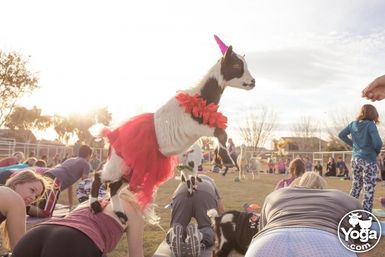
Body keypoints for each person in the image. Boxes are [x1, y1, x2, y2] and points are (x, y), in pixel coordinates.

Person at [245, 172, 362, 257]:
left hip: (267, 243)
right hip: (330, 244)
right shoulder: (344, 199)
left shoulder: (275, 195)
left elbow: (262, 231)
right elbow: (362, 246)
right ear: (323, 189)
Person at [12, 187, 146, 257]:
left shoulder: (93, 201)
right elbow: (136, 255)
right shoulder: (135, 211)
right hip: (74, 240)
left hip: (36, 234)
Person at [153, 175, 224, 257]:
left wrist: (175, 222)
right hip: (206, 194)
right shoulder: (211, 182)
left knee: (177, 225)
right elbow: (221, 211)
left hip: (182, 192)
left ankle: (173, 233)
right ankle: (200, 236)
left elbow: (174, 200)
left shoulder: (185, 179)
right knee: (208, 227)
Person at [338, 104, 383, 212]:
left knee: (356, 186)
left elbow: (341, 135)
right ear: (373, 114)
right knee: (368, 188)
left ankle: (348, 211)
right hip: (368, 159)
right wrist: (375, 152)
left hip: (355, 159)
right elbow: (378, 143)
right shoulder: (370, 125)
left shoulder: (353, 124)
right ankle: (366, 215)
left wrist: (353, 145)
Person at [27, 144, 93, 217]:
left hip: (47, 175)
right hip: (55, 180)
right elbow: (85, 184)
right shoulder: (85, 164)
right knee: (46, 213)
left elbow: (69, 185)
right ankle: (22, 207)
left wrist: (71, 205)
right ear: (89, 155)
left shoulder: (70, 160)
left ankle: (23, 206)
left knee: (37, 204)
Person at [0, 170, 49, 251]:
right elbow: (19, 249)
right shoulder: (15, 200)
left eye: (36, 197)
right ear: (17, 183)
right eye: (32, 190)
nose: (33, 198)